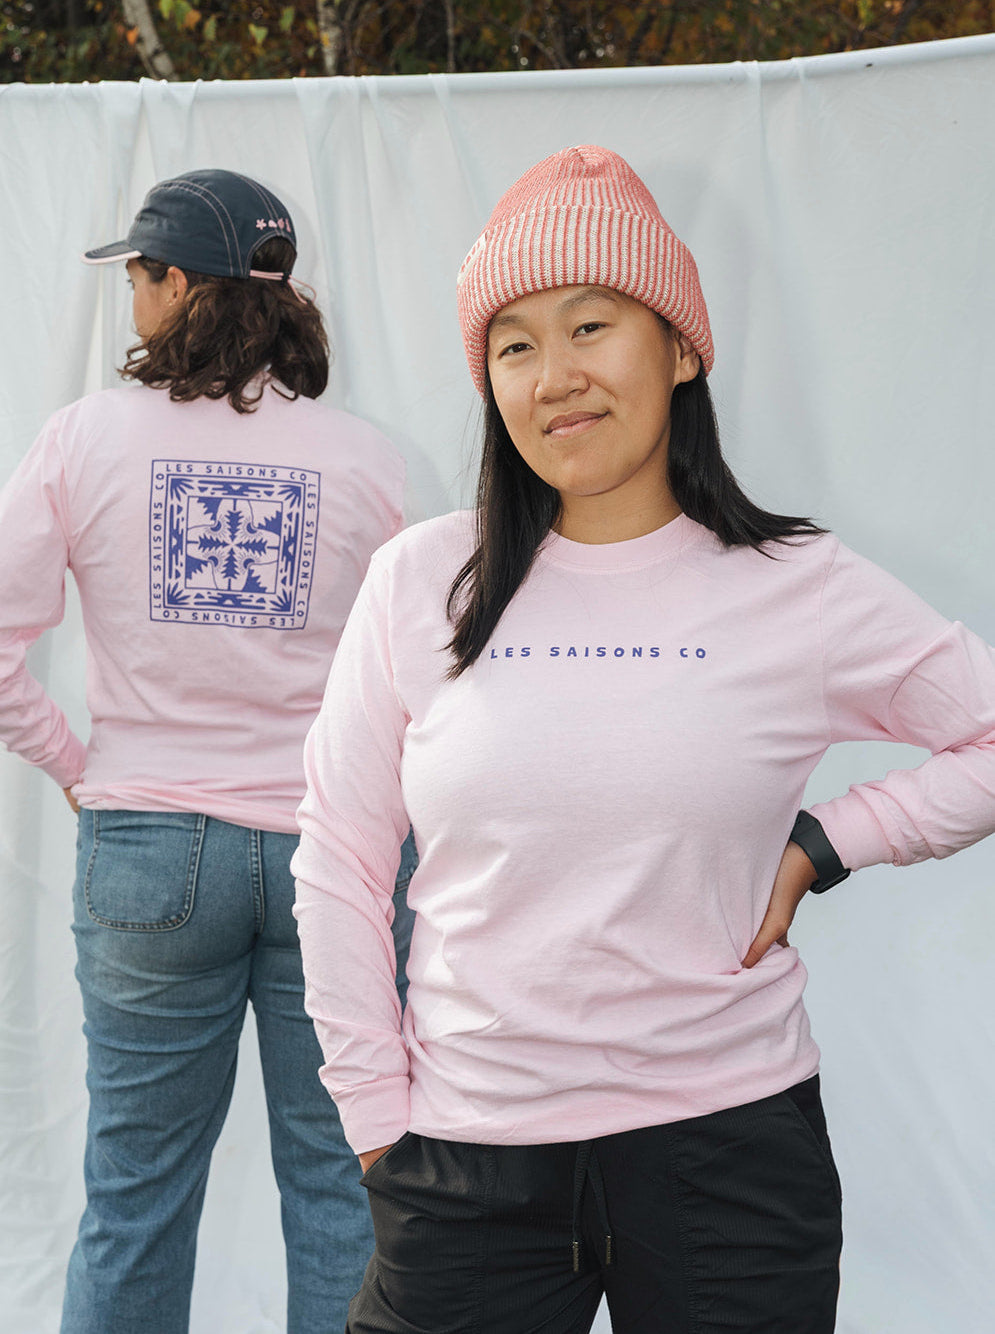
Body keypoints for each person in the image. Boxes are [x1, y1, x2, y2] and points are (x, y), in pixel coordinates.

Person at [290, 145, 995, 1333]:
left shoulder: (794, 587)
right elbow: (339, 858)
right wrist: (376, 1122)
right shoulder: (422, 582)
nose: (552, 375)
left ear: (676, 348)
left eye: (589, 325)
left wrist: (829, 836)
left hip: (726, 1156)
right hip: (469, 1158)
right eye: (513, 343)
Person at [0, 168, 416, 1334]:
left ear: (179, 283)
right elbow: (430, 682)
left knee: (136, 1201)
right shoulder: (369, 462)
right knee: (347, 1192)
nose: (132, 299)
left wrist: (81, 767)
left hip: (149, 854)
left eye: (139, 275)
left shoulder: (84, 442)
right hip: (332, 854)